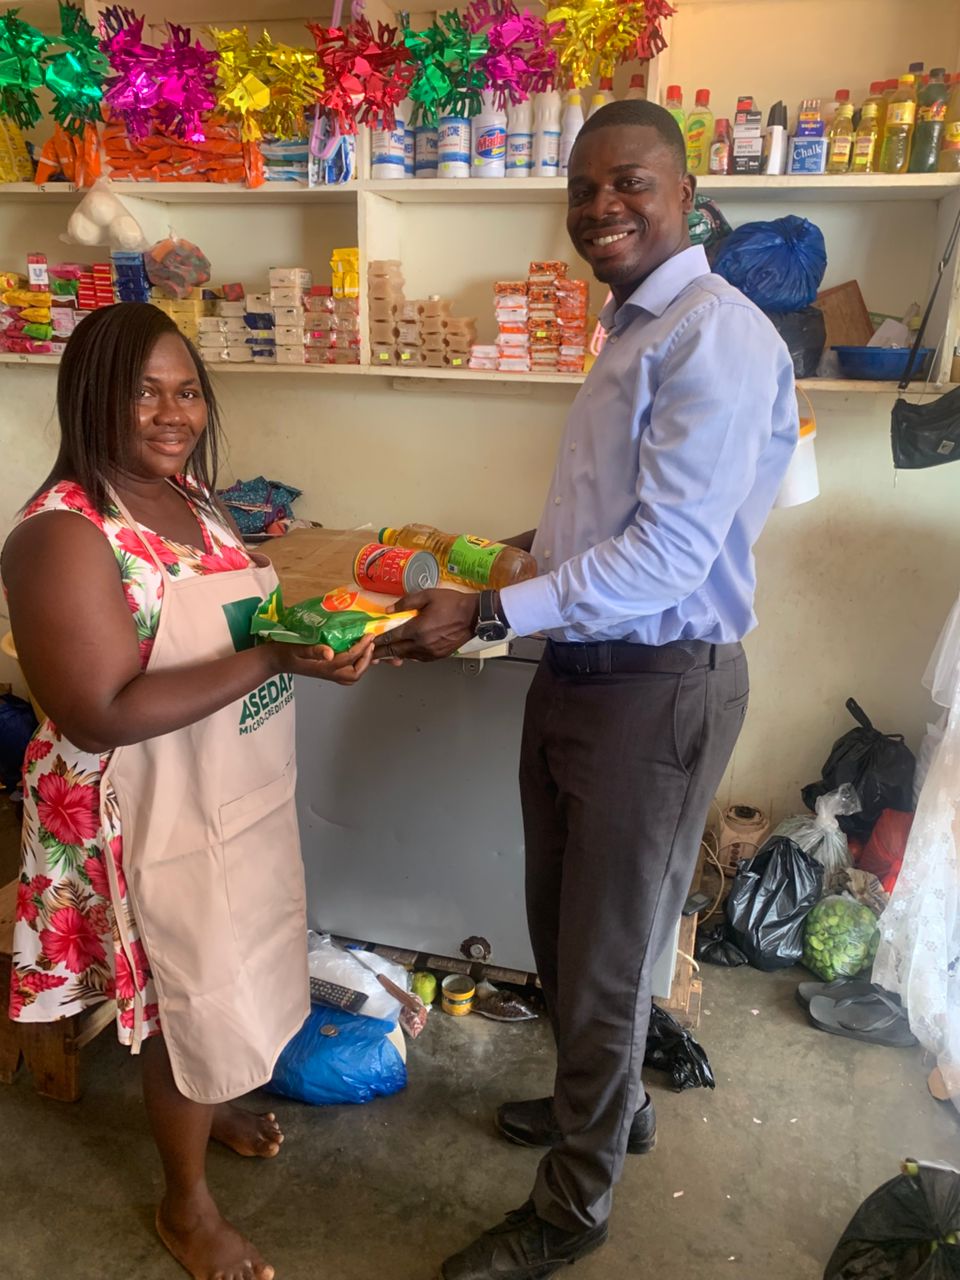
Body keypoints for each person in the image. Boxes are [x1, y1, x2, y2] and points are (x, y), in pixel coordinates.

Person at [376, 99, 799, 1279]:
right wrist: (498, 554)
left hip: (655, 688)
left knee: (607, 955)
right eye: (582, 189)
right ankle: (608, 1109)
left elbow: (666, 559)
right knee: (563, 932)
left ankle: (573, 1206)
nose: (601, 208)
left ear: (686, 194)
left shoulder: (712, 335)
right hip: (582, 672)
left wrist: (489, 610)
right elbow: (606, 521)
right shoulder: (631, 328)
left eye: (629, 183)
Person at [2, 303, 374, 1280]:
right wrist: (273, 658)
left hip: (225, 788)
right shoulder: (62, 535)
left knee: (231, 967)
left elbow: (238, 627)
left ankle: (208, 1101)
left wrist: (330, 639)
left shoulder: (194, 500)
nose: (175, 414)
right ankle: (185, 1204)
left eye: (188, 391)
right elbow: (98, 713)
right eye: (145, 393)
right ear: (93, 399)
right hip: (133, 813)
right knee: (184, 996)